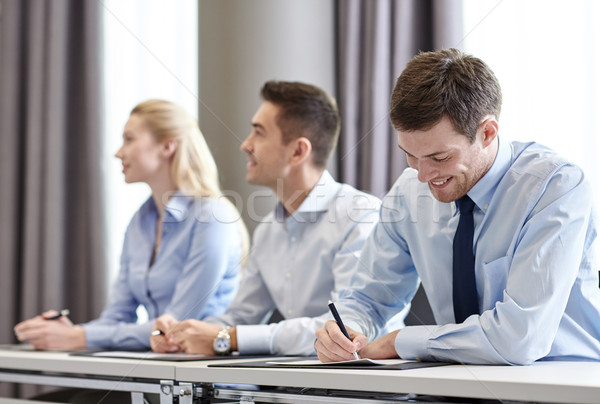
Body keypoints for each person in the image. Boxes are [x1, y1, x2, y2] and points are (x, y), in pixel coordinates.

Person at [315, 48, 600, 365]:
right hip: (455, 384)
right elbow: (370, 298)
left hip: (560, 383)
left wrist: (403, 340)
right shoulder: (408, 194)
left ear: (487, 133)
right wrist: (346, 330)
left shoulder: (555, 187)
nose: (422, 175)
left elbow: (519, 338)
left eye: (439, 158)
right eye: (410, 155)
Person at [151, 80, 406, 356]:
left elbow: (343, 330)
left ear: (298, 151)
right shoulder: (269, 230)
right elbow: (239, 317)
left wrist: (228, 337)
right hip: (289, 387)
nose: (245, 145)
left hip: (362, 389)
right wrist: (182, 334)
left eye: (258, 133)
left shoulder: (360, 215)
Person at [14, 99, 248, 351]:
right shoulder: (140, 222)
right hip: (153, 374)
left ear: (167, 146)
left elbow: (174, 327)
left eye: (129, 139)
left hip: (208, 380)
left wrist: (81, 337)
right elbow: (117, 315)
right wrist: (69, 332)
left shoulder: (212, 218)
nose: (118, 152)